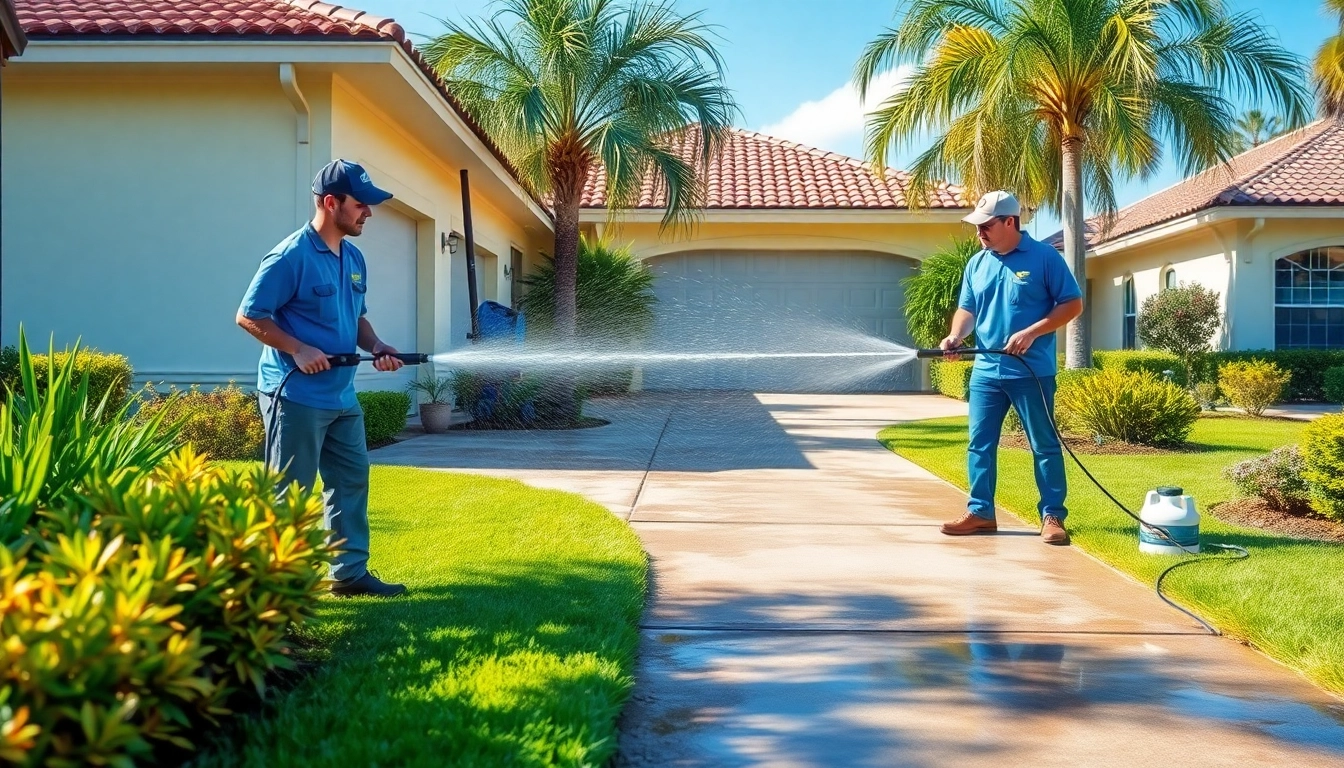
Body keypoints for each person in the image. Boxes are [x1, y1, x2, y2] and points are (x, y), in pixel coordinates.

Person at [237, 159, 408, 597]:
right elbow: (248, 316)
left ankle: (349, 575)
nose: (368, 212)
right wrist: (297, 348)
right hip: (294, 394)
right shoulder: (290, 256)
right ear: (331, 203)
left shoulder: (353, 258)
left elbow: (357, 319)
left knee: (351, 479)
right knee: (289, 491)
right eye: (360, 204)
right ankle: (278, 587)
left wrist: (378, 347)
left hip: (340, 394)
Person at [938, 190, 1084, 545]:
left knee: (1044, 444)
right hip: (987, 372)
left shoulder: (1045, 257)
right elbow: (967, 309)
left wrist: (1033, 332)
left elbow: (1072, 304)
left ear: (1009, 221)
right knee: (979, 444)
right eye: (977, 227)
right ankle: (981, 512)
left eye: (986, 226)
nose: (979, 233)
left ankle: (1052, 516)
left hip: (1031, 371)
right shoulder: (978, 263)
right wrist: (956, 335)